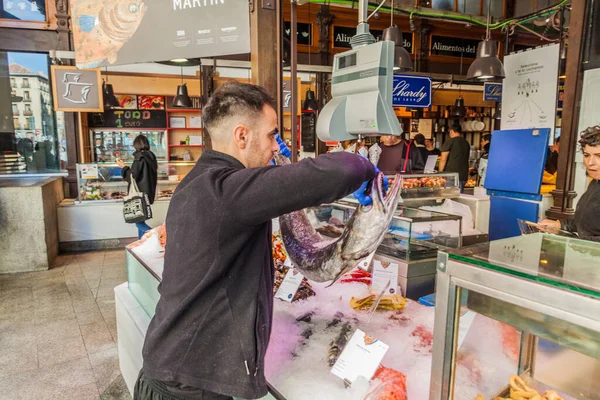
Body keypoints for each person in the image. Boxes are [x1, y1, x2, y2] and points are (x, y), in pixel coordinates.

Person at [135, 83, 378, 400]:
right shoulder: (229, 191)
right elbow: (338, 170)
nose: (275, 147)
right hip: (186, 387)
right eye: (271, 135)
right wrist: (365, 167)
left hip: (172, 370)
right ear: (241, 136)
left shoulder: (196, 183)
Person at [540, 126, 600, 241]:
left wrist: (580, 242)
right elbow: (586, 222)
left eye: (599, 156)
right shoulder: (594, 183)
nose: (590, 162)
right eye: (587, 155)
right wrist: (560, 225)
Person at [116, 135, 158, 239]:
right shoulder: (151, 156)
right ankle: (142, 242)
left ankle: (157, 235)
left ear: (136, 145)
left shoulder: (139, 157)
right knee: (141, 219)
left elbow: (132, 177)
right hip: (148, 193)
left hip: (139, 195)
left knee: (139, 223)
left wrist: (124, 167)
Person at [439, 124, 470, 192]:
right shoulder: (466, 142)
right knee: (459, 198)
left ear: (452, 131)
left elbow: (443, 159)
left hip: (451, 174)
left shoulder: (450, 141)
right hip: (463, 175)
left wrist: (440, 174)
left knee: (449, 198)